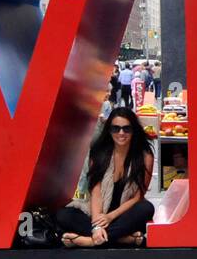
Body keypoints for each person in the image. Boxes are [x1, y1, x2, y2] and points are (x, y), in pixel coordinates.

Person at [56, 106, 155, 248]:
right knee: (63, 215)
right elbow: (95, 192)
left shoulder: (145, 156)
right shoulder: (99, 153)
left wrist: (110, 216)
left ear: (134, 130)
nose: (121, 133)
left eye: (127, 129)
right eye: (116, 128)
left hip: (123, 214)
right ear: (109, 130)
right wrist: (97, 226)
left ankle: (90, 241)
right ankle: (122, 239)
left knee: (146, 208)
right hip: (98, 213)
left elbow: (138, 197)